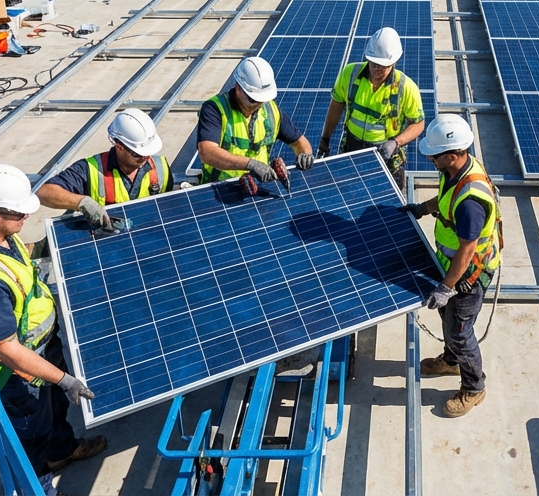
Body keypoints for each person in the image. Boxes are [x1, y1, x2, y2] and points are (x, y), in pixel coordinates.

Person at [0, 163, 107, 489]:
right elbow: (7, 349)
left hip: (42, 348)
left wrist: (55, 243)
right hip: (17, 374)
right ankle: (40, 489)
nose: (26, 217)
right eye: (19, 213)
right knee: (32, 437)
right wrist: (64, 379)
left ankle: (63, 450)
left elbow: (20, 257)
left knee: (56, 411)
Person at [402, 115, 502, 418]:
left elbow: (467, 250)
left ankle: (474, 388)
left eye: (435, 155)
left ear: (453, 154)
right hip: (451, 267)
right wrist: (422, 208)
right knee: (448, 319)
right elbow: (446, 199)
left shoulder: (472, 201)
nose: (430, 158)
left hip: (468, 276)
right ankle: (451, 360)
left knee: (460, 332)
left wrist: (447, 287)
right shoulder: (455, 170)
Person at [318, 28, 425, 182]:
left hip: (385, 152)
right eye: (373, 64)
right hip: (352, 146)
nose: (377, 69)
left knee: (385, 199)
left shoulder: (405, 88)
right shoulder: (350, 74)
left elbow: (418, 124)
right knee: (348, 190)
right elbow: (336, 106)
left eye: (383, 66)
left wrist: (395, 142)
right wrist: (325, 139)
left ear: (394, 62)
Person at [37, 109, 172, 229]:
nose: (144, 158)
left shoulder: (161, 168)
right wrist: (81, 202)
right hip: (106, 246)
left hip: (148, 239)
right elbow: (43, 192)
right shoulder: (90, 169)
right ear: (119, 146)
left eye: (148, 153)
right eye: (137, 154)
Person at [196, 57, 315, 184]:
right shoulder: (216, 109)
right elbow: (207, 152)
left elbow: (298, 141)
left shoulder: (271, 110)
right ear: (238, 88)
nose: (258, 104)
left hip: (259, 186)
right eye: (253, 99)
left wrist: (305, 153)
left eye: (262, 99)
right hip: (220, 189)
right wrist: (250, 164)